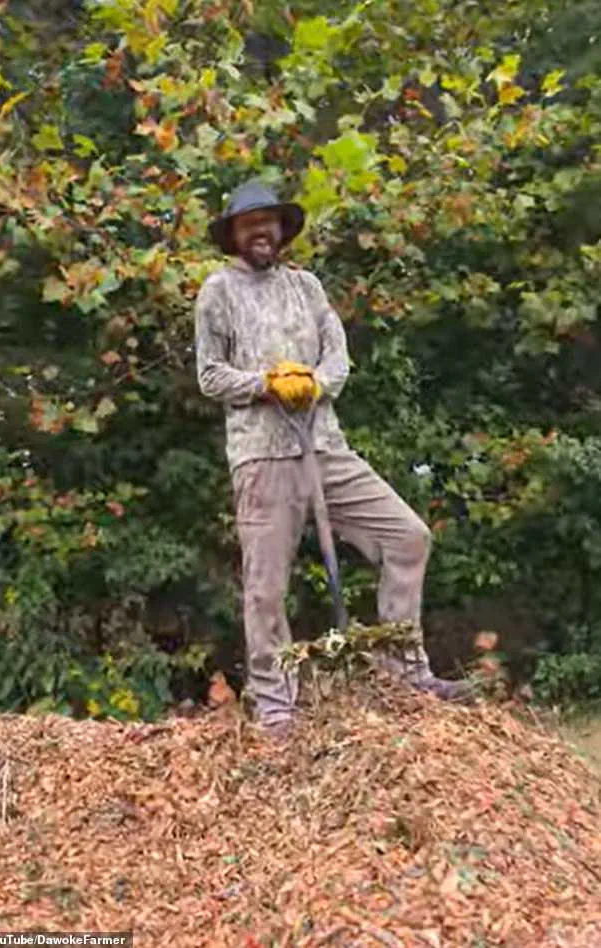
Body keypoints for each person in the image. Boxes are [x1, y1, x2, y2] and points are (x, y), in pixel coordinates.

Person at [194, 180, 473, 739]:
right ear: (234, 235)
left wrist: (314, 383)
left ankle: (404, 672)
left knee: (407, 537)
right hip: (262, 456)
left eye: (269, 222)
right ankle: (276, 705)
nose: (261, 232)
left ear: (282, 230)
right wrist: (266, 383)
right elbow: (210, 375)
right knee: (266, 587)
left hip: (326, 447)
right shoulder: (217, 291)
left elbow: (338, 360)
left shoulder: (308, 287)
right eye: (249, 225)